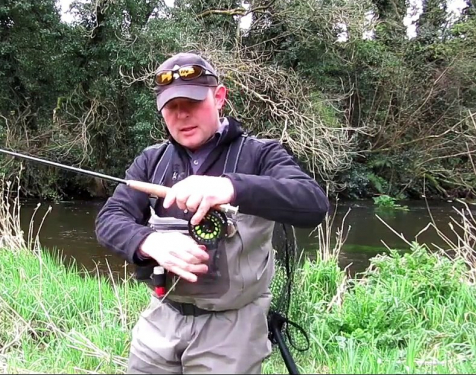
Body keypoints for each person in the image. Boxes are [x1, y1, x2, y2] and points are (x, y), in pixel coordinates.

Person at [95, 52, 329, 374]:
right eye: (171, 107)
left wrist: (232, 188)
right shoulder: (150, 162)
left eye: (192, 103)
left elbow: (313, 203)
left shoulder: (260, 154)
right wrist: (148, 242)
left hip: (233, 327)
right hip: (161, 319)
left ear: (219, 97)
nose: (181, 115)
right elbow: (110, 219)